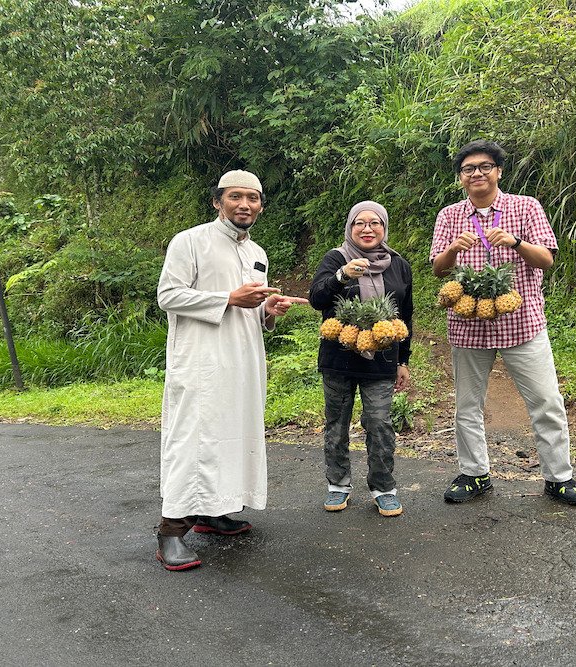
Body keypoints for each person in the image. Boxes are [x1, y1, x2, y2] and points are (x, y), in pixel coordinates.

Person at [155, 169, 309, 571]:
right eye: (236, 197)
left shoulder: (257, 252)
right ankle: (171, 532)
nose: (245, 205)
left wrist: (268, 310)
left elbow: (250, 308)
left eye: (253, 198)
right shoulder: (190, 241)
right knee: (194, 440)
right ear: (217, 201)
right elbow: (168, 295)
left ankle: (215, 510)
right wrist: (227, 298)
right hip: (201, 361)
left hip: (243, 361)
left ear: (261, 206)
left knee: (233, 434)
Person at [429, 140, 576, 506]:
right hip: (469, 324)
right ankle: (474, 473)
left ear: (498, 171)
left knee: (546, 401)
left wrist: (515, 242)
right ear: (461, 178)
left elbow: (546, 259)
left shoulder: (525, 207)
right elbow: (438, 269)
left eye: (485, 166)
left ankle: (559, 478)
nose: (477, 173)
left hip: (523, 322)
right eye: (469, 169)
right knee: (467, 405)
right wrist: (453, 249)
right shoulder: (449, 215)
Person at [309, 201, 413, 517]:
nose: (367, 229)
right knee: (337, 424)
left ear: (384, 227)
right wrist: (341, 276)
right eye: (360, 223)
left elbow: (405, 314)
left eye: (374, 223)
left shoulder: (398, 264)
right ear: (350, 227)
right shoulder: (336, 258)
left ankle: (384, 488)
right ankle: (338, 484)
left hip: (382, 359)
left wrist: (403, 361)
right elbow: (317, 298)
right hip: (339, 356)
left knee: (380, 424)